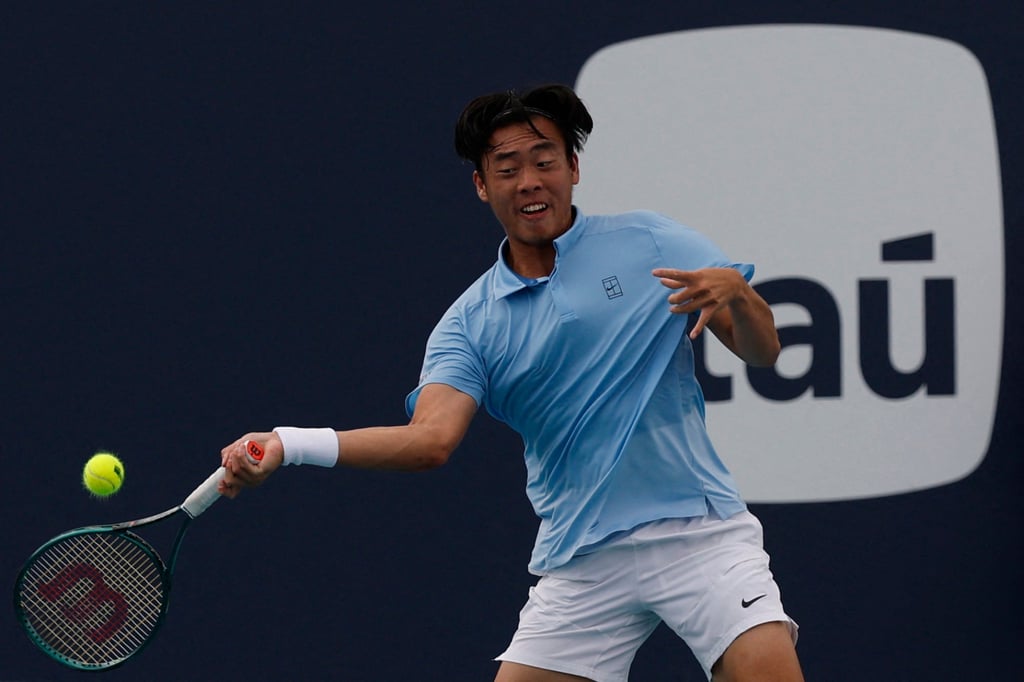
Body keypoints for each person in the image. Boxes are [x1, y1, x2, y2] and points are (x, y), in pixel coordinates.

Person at [220, 83, 804, 682]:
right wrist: (290, 445)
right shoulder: (469, 324)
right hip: (583, 557)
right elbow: (429, 442)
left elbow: (763, 351)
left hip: (698, 532)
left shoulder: (650, 242)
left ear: (573, 168)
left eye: (545, 161)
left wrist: (742, 296)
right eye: (507, 168)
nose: (529, 181)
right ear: (481, 185)